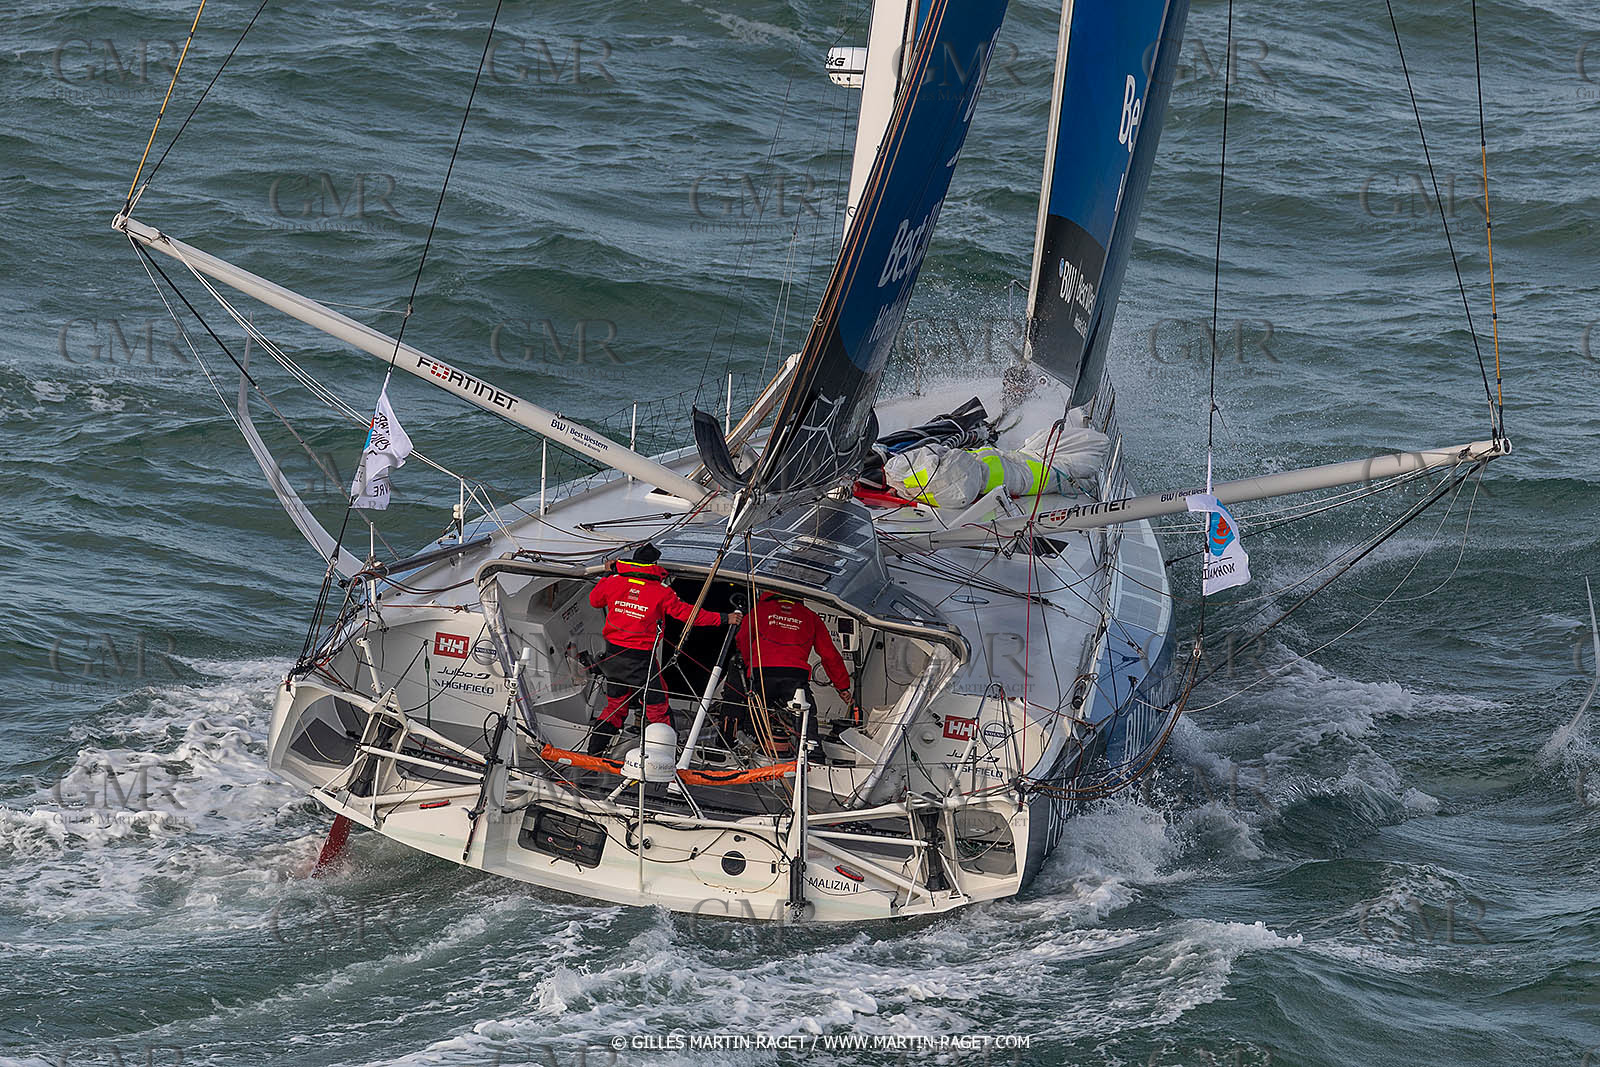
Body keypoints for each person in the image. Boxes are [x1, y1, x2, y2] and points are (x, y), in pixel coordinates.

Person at [585, 543, 740, 755]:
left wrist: (609, 574)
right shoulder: (661, 592)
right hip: (641, 661)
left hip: (613, 657)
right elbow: (689, 615)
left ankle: (593, 752)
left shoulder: (613, 581)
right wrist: (724, 618)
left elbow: (595, 601)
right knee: (658, 709)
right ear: (654, 565)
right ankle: (668, 756)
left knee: (615, 706)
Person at [735, 591, 854, 754]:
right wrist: (842, 687)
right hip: (795, 677)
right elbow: (829, 655)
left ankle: (749, 751)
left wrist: (750, 666)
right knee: (805, 723)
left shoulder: (758, 610)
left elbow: (742, 639)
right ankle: (813, 758)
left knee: (754, 719)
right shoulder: (811, 617)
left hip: (762, 673)